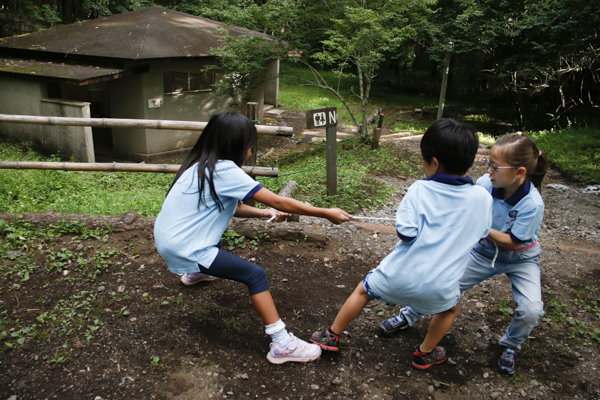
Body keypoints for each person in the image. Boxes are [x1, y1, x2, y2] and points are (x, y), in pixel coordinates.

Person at [154, 112, 351, 364]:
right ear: (231, 146)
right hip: (187, 247)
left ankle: (196, 273)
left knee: (215, 237)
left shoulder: (200, 165)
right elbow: (279, 200)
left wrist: (263, 212)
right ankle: (282, 344)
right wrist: (325, 213)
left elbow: (232, 208)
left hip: (167, 238)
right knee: (254, 275)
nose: (249, 153)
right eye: (248, 147)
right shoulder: (225, 170)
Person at [310, 119, 493, 369]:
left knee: (362, 291)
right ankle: (425, 352)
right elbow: (482, 232)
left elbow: (406, 233)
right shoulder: (483, 196)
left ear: (435, 163)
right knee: (451, 309)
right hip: (441, 287)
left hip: (397, 277)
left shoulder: (419, 190)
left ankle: (331, 334)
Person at [382, 133, 547, 375]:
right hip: (482, 253)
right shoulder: (485, 184)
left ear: (519, 172)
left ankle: (511, 345)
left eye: (495, 166)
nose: (488, 170)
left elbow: (513, 242)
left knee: (532, 309)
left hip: (520, 259)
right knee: (442, 281)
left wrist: (480, 227)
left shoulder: (532, 204)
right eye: (488, 163)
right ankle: (409, 315)